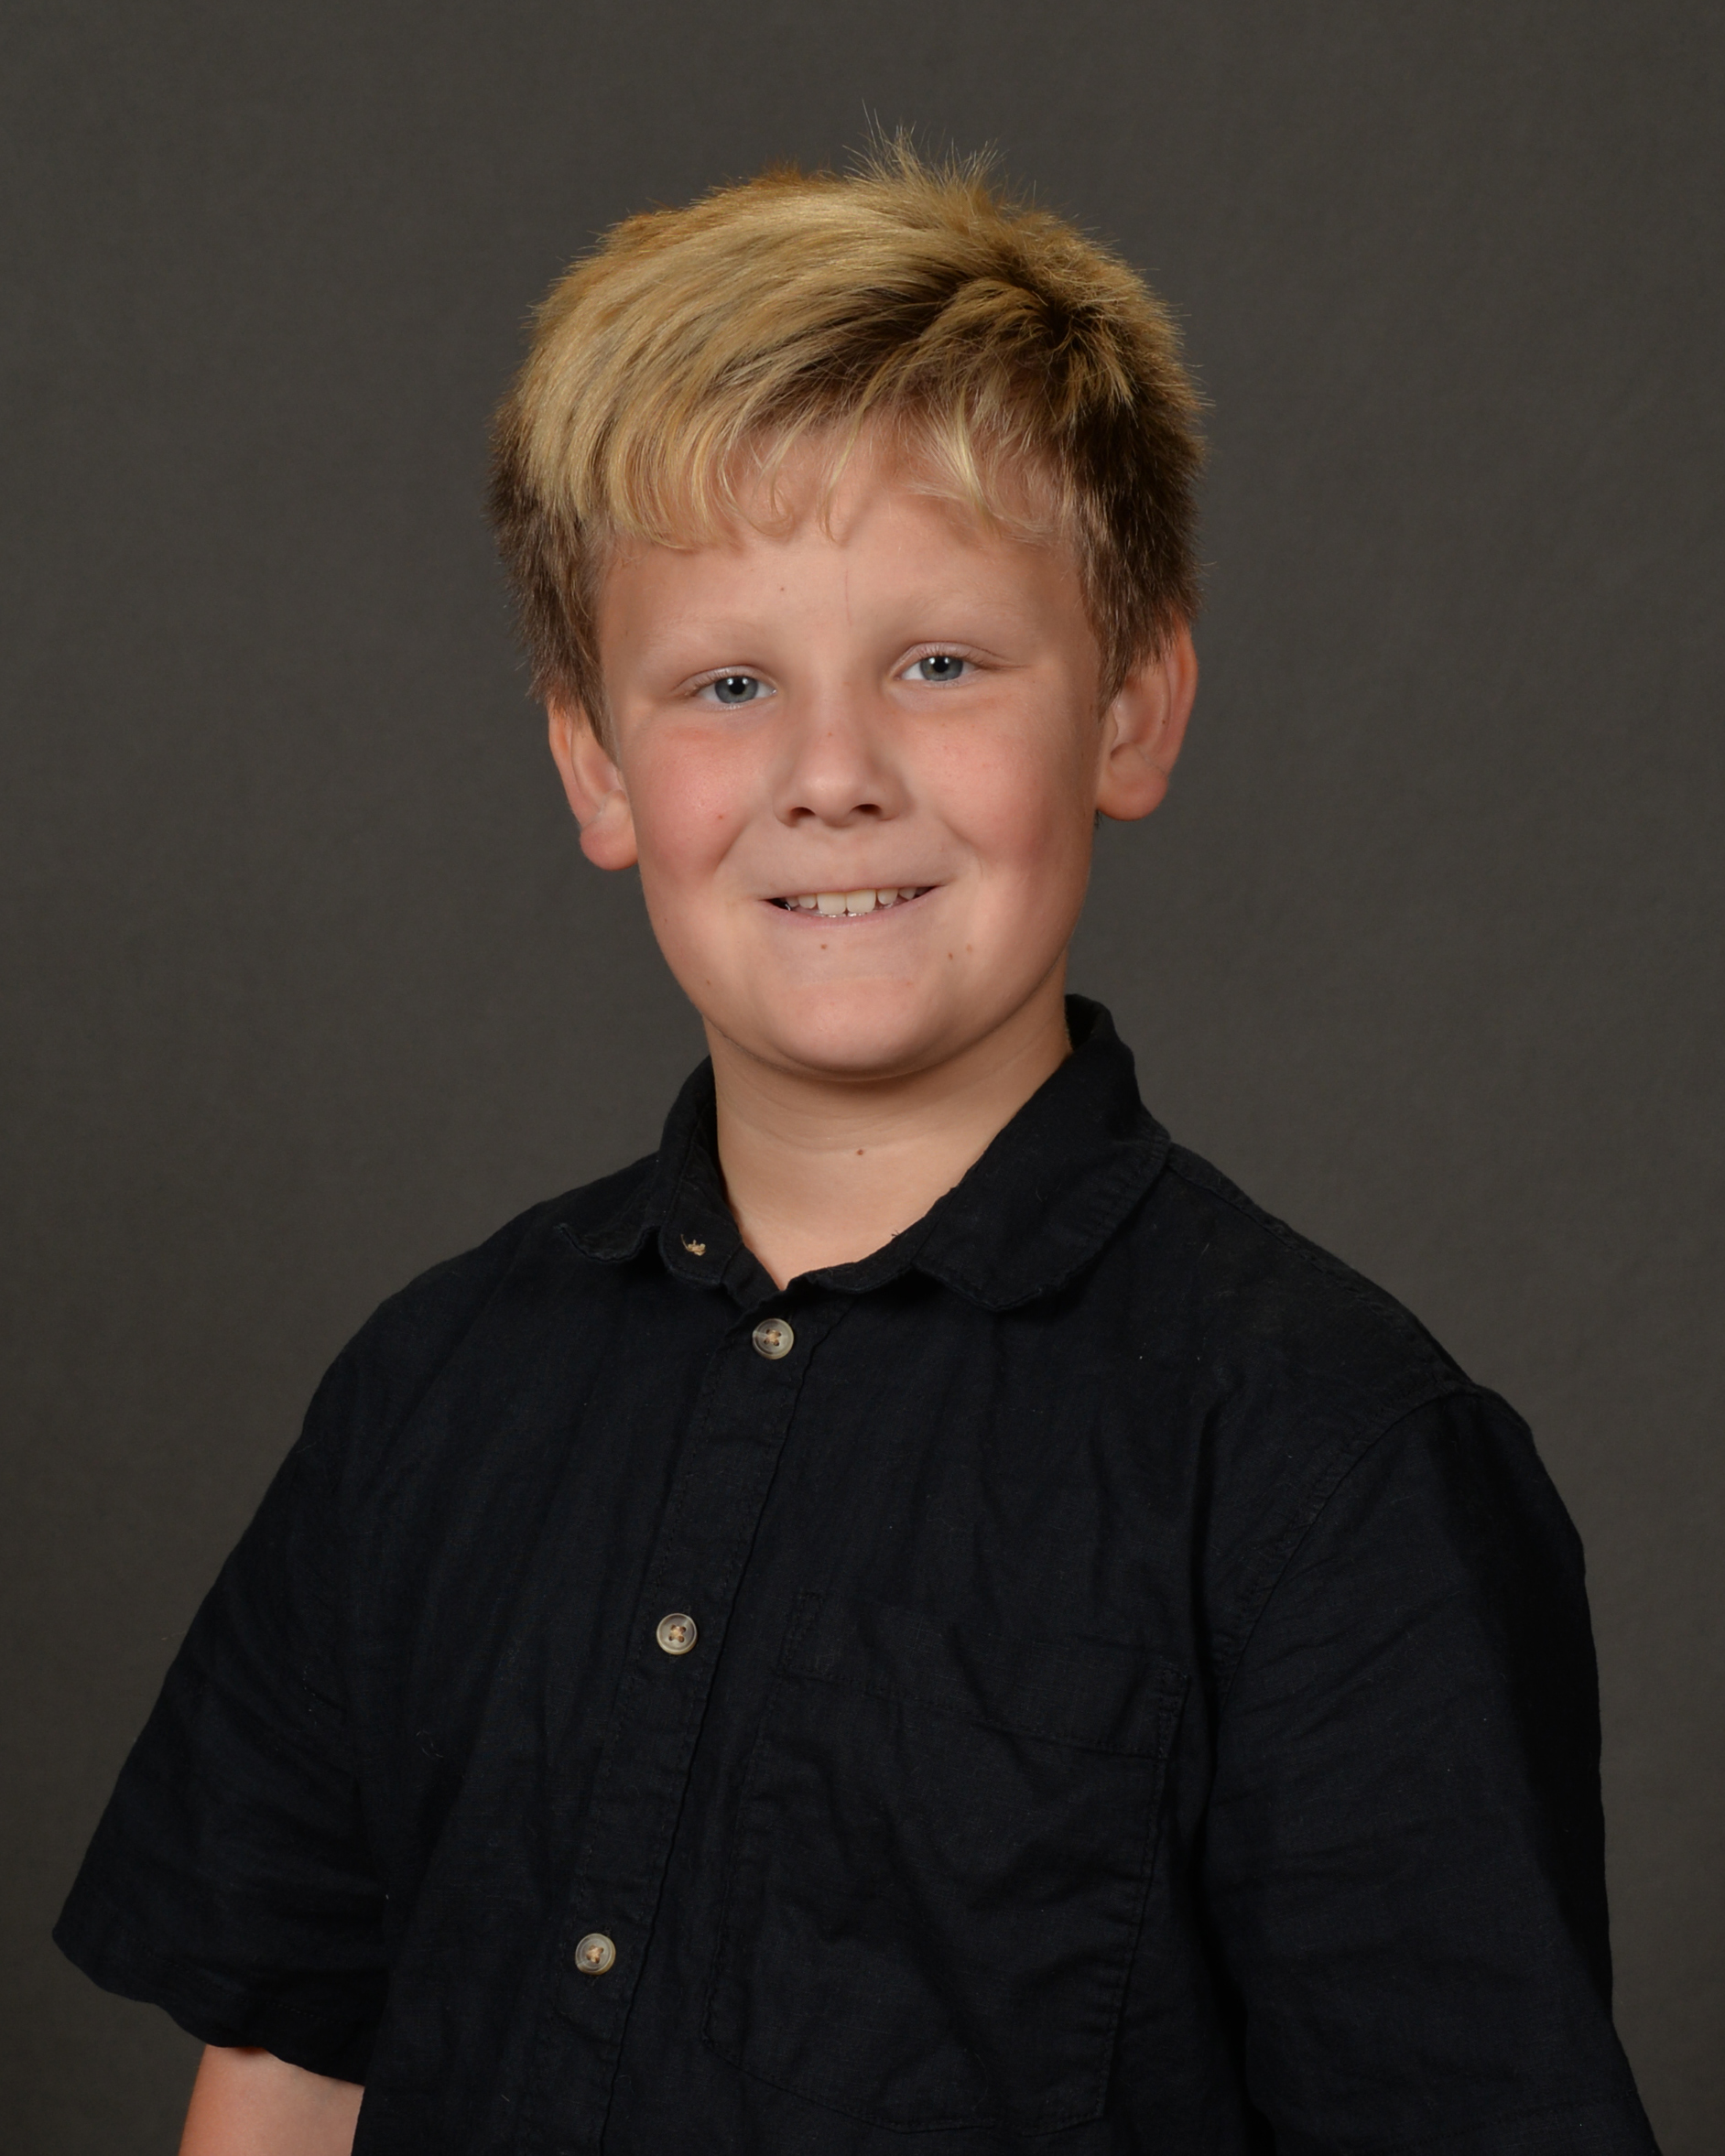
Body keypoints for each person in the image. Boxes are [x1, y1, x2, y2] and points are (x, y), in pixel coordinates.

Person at [57, 145, 1659, 2156]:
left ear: (1133, 711)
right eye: (730, 684)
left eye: (940, 663)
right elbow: (293, 2070)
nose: (832, 775)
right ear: (595, 766)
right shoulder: (427, 1394)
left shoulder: (1333, 1468)